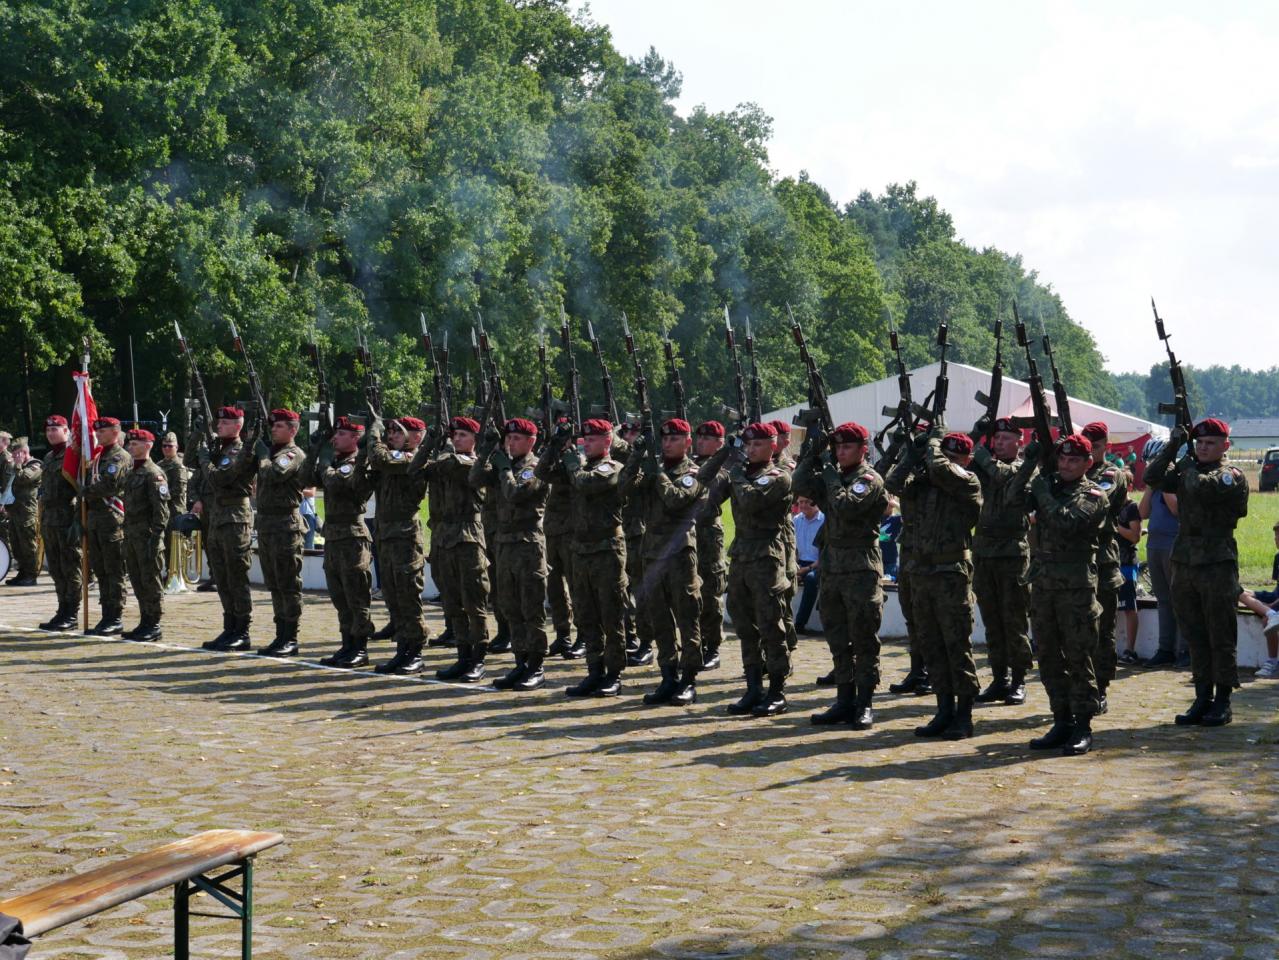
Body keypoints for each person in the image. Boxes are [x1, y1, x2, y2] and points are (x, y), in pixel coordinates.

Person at [1144, 417, 1249, 726]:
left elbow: (1197, 487)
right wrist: (1175, 446)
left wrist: (1186, 461)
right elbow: (1151, 477)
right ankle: (1202, 697)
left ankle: (1223, 700)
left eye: (1210, 443)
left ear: (1225, 446)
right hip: (1185, 560)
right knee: (1194, 634)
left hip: (1216, 562)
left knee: (1220, 634)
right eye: (1199, 442)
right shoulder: (1188, 467)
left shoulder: (1231, 476)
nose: (1203, 447)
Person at [887, 428, 982, 740]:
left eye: (955, 456)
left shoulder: (967, 482)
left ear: (967, 460)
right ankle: (943, 710)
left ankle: (964, 714)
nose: (945, 460)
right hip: (922, 573)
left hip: (951, 573)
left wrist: (933, 444)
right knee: (932, 644)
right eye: (946, 454)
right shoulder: (926, 483)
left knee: (956, 645)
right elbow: (893, 484)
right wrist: (912, 455)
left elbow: (943, 469)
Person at [793, 422, 887, 729]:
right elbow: (800, 483)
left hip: (860, 567)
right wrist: (813, 451)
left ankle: (865, 703)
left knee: (863, 638)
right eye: (837, 447)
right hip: (832, 567)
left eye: (847, 447)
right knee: (837, 637)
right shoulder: (835, 476)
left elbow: (846, 506)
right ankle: (844, 700)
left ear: (863, 449)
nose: (841, 452)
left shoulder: (868, 478)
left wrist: (831, 474)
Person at [1023, 434, 1109, 755]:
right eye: (1062, 459)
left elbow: (1066, 522)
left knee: (1078, 655)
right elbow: (1010, 499)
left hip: (1075, 589)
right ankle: (1060, 719)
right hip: (1044, 585)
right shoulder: (1050, 485)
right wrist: (1030, 465)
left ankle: (1083, 724)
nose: (1066, 465)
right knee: (1046, 655)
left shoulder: (1094, 494)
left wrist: (1042, 491)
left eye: (1074, 460)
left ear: (1088, 463)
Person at [701, 421, 793, 717]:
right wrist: (723, 455)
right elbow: (706, 485)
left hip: (767, 556)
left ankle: (777, 690)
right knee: (744, 625)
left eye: (757, 445)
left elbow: (752, 501)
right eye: (747, 444)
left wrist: (736, 472)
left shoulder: (779, 476)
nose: (751, 449)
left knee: (770, 625)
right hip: (740, 556)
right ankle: (753, 687)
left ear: (772, 446)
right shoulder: (739, 472)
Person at [537, 418, 629, 697]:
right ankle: (594, 670)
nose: (586, 443)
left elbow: (586, 484)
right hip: (580, 549)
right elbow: (543, 472)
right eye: (584, 439)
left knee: (610, 614)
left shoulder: (611, 468)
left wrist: (571, 461)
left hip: (606, 548)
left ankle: (613, 673)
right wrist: (555, 447)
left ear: (607, 441)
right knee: (586, 613)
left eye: (592, 439)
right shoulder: (578, 466)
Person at [622, 417, 704, 706]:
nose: (667, 443)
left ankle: (689, 679)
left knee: (686, 617)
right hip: (651, 553)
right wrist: (637, 455)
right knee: (659, 619)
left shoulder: (693, 472)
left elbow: (675, 499)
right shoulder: (654, 468)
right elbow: (625, 487)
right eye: (664, 439)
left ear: (687, 442)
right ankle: (668, 676)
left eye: (674, 439)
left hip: (680, 554)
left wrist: (656, 472)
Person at [471, 417, 551, 691]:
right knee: (510, 607)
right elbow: (475, 478)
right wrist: (486, 450)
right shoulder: (505, 463)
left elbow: (515, 493)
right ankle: (521, 662)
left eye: (516, 438)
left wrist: (504, 469)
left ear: (531, 441)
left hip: (528, 544)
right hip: (504, 544)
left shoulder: (537, 467)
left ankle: (536, 665)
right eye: (508, 438)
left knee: (531, 608)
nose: (511, 442)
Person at [413, 415, 490, 682]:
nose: (457, 439)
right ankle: (463, 656)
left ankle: (478, 659)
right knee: (453, 603)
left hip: (468, 538)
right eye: (454, 435)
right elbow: (416, 469)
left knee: (473, 603)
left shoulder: (474, 463)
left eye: (463, 436)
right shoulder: (445, 460)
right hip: (444, 538)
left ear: (475, 440)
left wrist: (442, 447)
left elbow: (451, 465)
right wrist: (428, 443)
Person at [969, 416, 1034, 706]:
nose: (999, 442)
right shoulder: (983, 464)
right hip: (984, 552)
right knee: (992, 620)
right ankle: (999, 678)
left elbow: (1003, 477)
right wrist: (974, 436)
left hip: (1011, 553)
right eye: (996, 438)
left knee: (1014, 620)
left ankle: (1019, 679)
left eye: (1006, 438)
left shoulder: (1024, 468)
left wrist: (982, 454)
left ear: (1020, 442)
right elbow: (959, 468)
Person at [303, 416, 375, 667]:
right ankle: (347, 644)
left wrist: (323, 460)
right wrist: (315, 449)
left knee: (356, 597)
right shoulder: (334, 462)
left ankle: (360, 648)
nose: (335, 438)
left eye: (341, 434)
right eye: (334, 434)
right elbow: (304, 478)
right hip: (334, 537)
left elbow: (335, 483)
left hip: (352, 537)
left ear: (356, 438)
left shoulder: (356, 462)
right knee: (340, 597)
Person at [366, 415, 431, 674]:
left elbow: (379, 458)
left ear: (415, 437)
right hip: (386, 534)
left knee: (408, 596)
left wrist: (374, 432)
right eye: (388, 431)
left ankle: (414, 651)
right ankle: (402, 649)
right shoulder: (391, 459)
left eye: (396, 431)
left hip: (405, 535)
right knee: (392, 595)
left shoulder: (411, 458)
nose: (390, 435)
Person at [195, 406, 258, 651]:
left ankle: (242, 631)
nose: (218, 425)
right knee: (221, 576)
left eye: (224, 422)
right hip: (217, 517)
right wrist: (198, 436)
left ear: (238, 425)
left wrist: (203, 459)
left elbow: (219, 478)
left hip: (235, 517)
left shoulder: (241, 450)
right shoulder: (217, 448)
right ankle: (229, 626)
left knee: (236, 575)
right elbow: (191, 459)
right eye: (217, 421)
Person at [1082, 421, 1130, 713]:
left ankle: (1100, 687)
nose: (1089, 451)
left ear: (1105, 447)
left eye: (1094, 446)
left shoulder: (1112, 474)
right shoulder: (1068, 470)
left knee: (1102, 631)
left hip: (1102, 562)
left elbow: (1094, 504)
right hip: (1074, 563)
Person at [253, 409, 308, 657]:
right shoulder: (274, 453)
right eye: (272, 426)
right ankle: (280, 634)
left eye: (279, 426)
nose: (273, 429)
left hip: (286, 526)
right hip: (266, 525)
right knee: (274, 583)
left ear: (293, 430)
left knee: (288, 583)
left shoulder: (293, 455)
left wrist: (263, 456)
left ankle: (291, 637)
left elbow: (273, 474)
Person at [82, 416, 132, 635]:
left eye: (102, 431)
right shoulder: (99, 457)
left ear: (115, 431)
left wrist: (85, 492)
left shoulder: (120, 457)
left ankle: (115, 617)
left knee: (114, 570)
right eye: (97, 431)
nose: (98, 434)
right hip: (96, 520)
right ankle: (106, 615)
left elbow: (108, 485)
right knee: (101, 570)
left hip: (112, 521)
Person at [1139, 438, 1185, 668]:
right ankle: (1165, 648)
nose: (1149, 466)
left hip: (1172, 544)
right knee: (1163, 601)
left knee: (1180, 600)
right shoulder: (1154, 487)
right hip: (1154, 545)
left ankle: (1185, 649)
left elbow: (1177, 510)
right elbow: (1143, 512)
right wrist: (1150, 486)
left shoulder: (1174, 482)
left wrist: (1165, 483)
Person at [119, 429, 169, 642]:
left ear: (148, 445)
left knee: (151, 580)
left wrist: (156, 537)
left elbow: (162, 509)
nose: (131, 447)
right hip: (131, 534)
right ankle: (144, 620)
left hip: (147, 534)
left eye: (136, 444)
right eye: (129, 444)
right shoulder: (131, 472)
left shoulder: (153, 473)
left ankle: (154, 623)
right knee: (138, 580)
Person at [37, 416, 81, 630]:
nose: (51, 433)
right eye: (48, 430)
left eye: (56, 429)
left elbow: (80, 490)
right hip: (50, 520)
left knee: (69, 567)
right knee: (55, 568)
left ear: (66, 431)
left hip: (67, 518)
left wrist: (79, 521)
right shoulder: (48, 457)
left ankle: (72, 612)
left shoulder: (72, 455)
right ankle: (62, 609)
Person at [692, 421, 730, 671]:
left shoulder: (723, 471)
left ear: (720, 443)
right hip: (687, 535)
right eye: (700, 438)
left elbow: (713, 491)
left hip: (708, 534)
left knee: (710, 592)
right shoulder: (689, 465)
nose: (702, 442)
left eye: (709, 439)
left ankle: (712, 646)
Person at [1244, 519, 1279, 677]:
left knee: (1267, 621)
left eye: (1278, 537)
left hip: (1276, 600)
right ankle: (1272, 614)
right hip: (1275, 596)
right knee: (1238, 592)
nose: (1276, 541)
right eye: (1275, 537)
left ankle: (1272, 661)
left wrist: (1272, 606)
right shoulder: (1278, 557)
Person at [5, 440, 41, 586]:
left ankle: (31, 575)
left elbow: (23, 479)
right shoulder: (18, 467)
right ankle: (22, 573)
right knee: (17, 545)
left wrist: (18, 464)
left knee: (28, 545)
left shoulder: (35, 466)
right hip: (15, 511)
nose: (13, 457)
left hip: (27, 513)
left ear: (23, 453)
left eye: (16, 454)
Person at [1115, 489, 1143, 664]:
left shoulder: (1132, 507)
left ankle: (1130, 650)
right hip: (1110, 562)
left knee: (1129, 607)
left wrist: (1115, 526)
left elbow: (1135, 536)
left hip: (1126, 564)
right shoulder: (1109, 505)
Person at [157, 432, 188, 578]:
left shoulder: (179, 466)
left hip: (175, 510)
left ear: (176, 447)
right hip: (162, 511)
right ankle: (169, 573)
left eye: (170, 446)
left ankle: (176, 574)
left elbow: (178, 490)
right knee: (164, 544)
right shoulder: (159, 465)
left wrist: (159, 495)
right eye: (164, 446)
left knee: (175, 544)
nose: (167, 448)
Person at [791, 496, 823, 633]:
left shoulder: (825, 521)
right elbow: (793, 549)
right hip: (800, 563)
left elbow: (826, 554)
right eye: (800, 502)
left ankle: (799, 624)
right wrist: (793, 567)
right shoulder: (797, 520)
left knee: (810, 579)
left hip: (819, 564)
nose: (803, 505)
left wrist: (806, 569)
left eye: (807, 502)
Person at [879, 498, 901, 580]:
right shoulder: (876, 518)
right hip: (877, 561)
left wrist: (895, 504)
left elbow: (909, 515)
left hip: (890, 562)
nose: (887, 506)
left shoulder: (895, 519)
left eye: (889, 505)